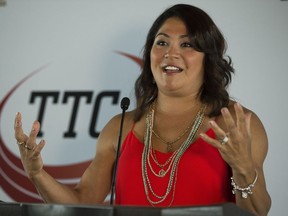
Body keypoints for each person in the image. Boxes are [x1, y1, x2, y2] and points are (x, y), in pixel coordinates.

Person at [14, 4, 271, 216]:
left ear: (209, 57)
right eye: (161, 43)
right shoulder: (121, 127)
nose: (171, 53)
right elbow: (81, 201)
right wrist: (37, 175)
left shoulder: (236, 123)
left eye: (187, 45)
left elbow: (258, 213)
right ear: (149, 55)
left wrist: (244, 168)